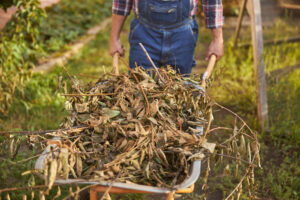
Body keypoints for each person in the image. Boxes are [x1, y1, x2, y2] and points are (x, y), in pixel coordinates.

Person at [110, 0, 224, 76]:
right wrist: (114, 38)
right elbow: (122, 2)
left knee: (178, 97)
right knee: (140, 94)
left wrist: (217, 39)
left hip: (182, 35)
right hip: (144, 35)